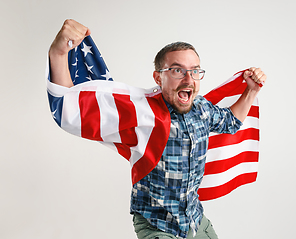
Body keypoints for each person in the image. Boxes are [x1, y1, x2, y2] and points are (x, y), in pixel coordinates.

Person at [49, 19, 267, 239]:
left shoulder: (202, 109)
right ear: (158, 77)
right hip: (157, 226)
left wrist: (251, 91)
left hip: (194, 221)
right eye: (177, 71)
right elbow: (72, 109)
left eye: (194, 71)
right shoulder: (141, 111)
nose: (188, 79)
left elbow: (231, 121)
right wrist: (58, 54)